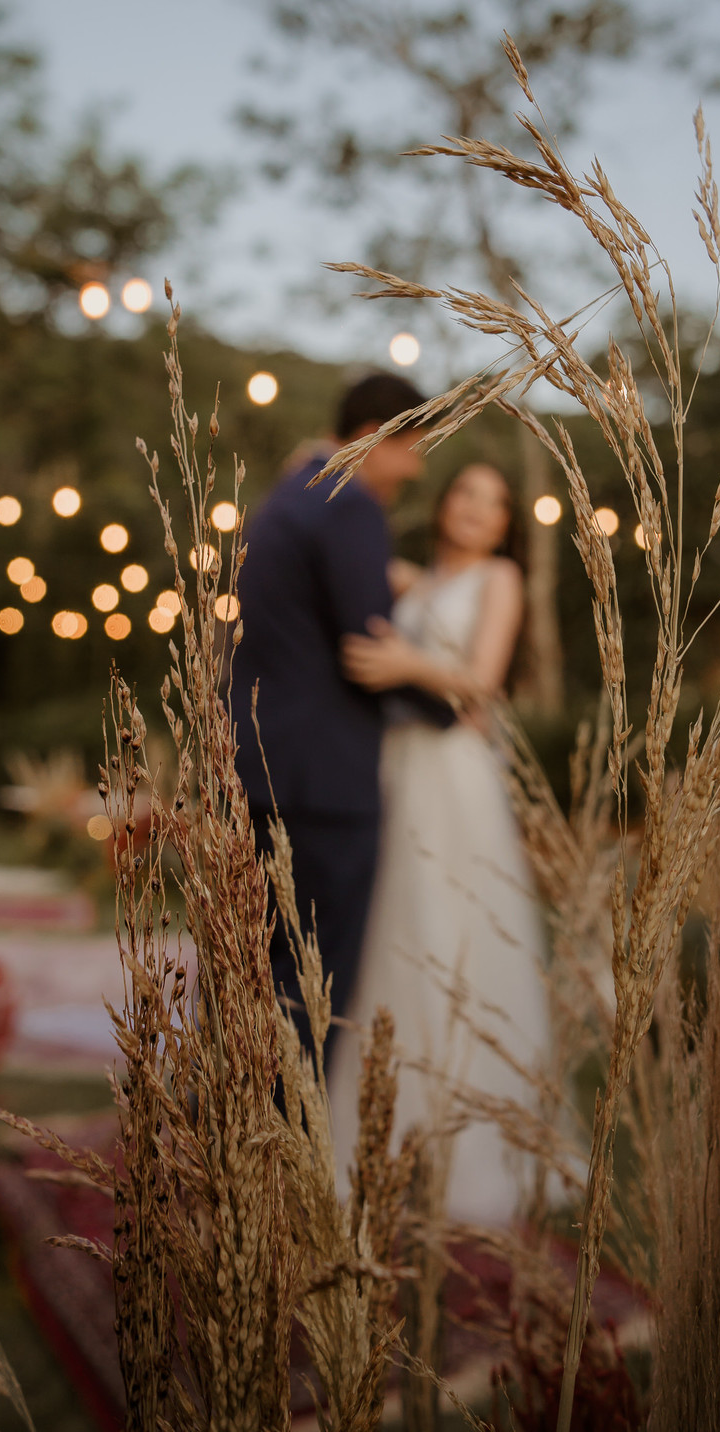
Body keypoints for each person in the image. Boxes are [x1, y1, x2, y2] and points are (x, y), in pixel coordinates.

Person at [327, 461, 551, 1226]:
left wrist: (406, 662)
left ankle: (464, 1138)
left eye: (494, 501)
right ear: (445, 501)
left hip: (455, 776)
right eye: (465, 490)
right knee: (387, 927)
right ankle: (376, 1127)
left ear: (504, 524)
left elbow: (482, 681)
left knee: (452, 932)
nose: (475, 507)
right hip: (394, 766)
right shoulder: (413, 580)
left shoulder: (501, 579)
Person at [229, 371, 434, 1068]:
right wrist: (453, 699)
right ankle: (279, 1166)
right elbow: (368, 642)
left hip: (260, 769)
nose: (415, 466)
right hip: (323, 787)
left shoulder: (291, 492)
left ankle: (212, 1149)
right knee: (307, 994)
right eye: (413, 446)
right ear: (380, 434)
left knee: (243, 985)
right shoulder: (351, 503)